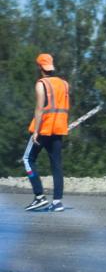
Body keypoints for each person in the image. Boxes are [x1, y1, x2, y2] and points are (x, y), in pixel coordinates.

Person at [23, 53, 69, 212]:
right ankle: (57, 202)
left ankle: (39, 197)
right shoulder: (64, 84)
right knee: (56, 165)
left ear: (39, 67)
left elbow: (40, 109)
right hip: (58, 129)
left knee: (27, 159)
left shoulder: (41, 84)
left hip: (43, 129)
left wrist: (35, 131)